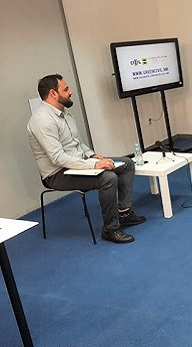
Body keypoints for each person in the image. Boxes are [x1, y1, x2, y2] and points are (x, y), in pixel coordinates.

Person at [27, 74, 146, 244]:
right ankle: (110, 229)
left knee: (126, 164)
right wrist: (95, 165)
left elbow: (77, 143)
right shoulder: (42, 121)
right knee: (108, 178)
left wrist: (92, 155)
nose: (71, 92)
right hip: (57, 173)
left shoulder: (64, 113)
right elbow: (58, 158)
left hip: (77, 164)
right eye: (66, 89)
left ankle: (124, 213)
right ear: (53, 93)